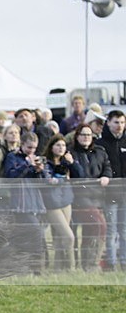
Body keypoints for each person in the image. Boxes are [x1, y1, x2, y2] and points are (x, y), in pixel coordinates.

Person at [3, 132, 50, 275]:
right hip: (20, 204)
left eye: (34, 148)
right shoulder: (12, 157)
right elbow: (11, 176)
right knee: (35, 233)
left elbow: (44, 182)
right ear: (22, 144)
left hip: (35, 202)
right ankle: (36, 269)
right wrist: (27, 165)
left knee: (25, 236)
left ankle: (23, 268)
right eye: (29, 147)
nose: (32, 151)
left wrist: (40, 171)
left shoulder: (37, 159)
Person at [69, 124, 111, 271]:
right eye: (83, 134)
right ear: (77, 136)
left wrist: (106, 176)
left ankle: (87, 264)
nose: (86, 137)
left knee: (90, 232)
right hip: (79, 199)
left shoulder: (100, 152)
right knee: (100, 226)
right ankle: (92, 263)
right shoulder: (71, 153)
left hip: (98, 197)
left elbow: (106, 166)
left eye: (88, 134)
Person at [41, 135, 83, 271]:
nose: (61, 148)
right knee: (69, 236)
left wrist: (71, 164)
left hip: (66, 201)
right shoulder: (46, 163)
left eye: (63, 146)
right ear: (51, 147)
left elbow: (80, 175)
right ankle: (71, 267)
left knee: (60, 237)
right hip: (52, 204)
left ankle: (58, 268)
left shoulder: (67, 161)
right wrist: (63, 178)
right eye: (58, 145)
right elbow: (49, 181)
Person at [96, 110, 126, 271]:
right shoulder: (101, 144)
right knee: (111, 229)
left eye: (122, 122)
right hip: (109, 195)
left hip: (124, 194)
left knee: (124, 229)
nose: (119, 126)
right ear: (108, 123)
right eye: (116, 122)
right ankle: (111, 262)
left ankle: (124, 261)